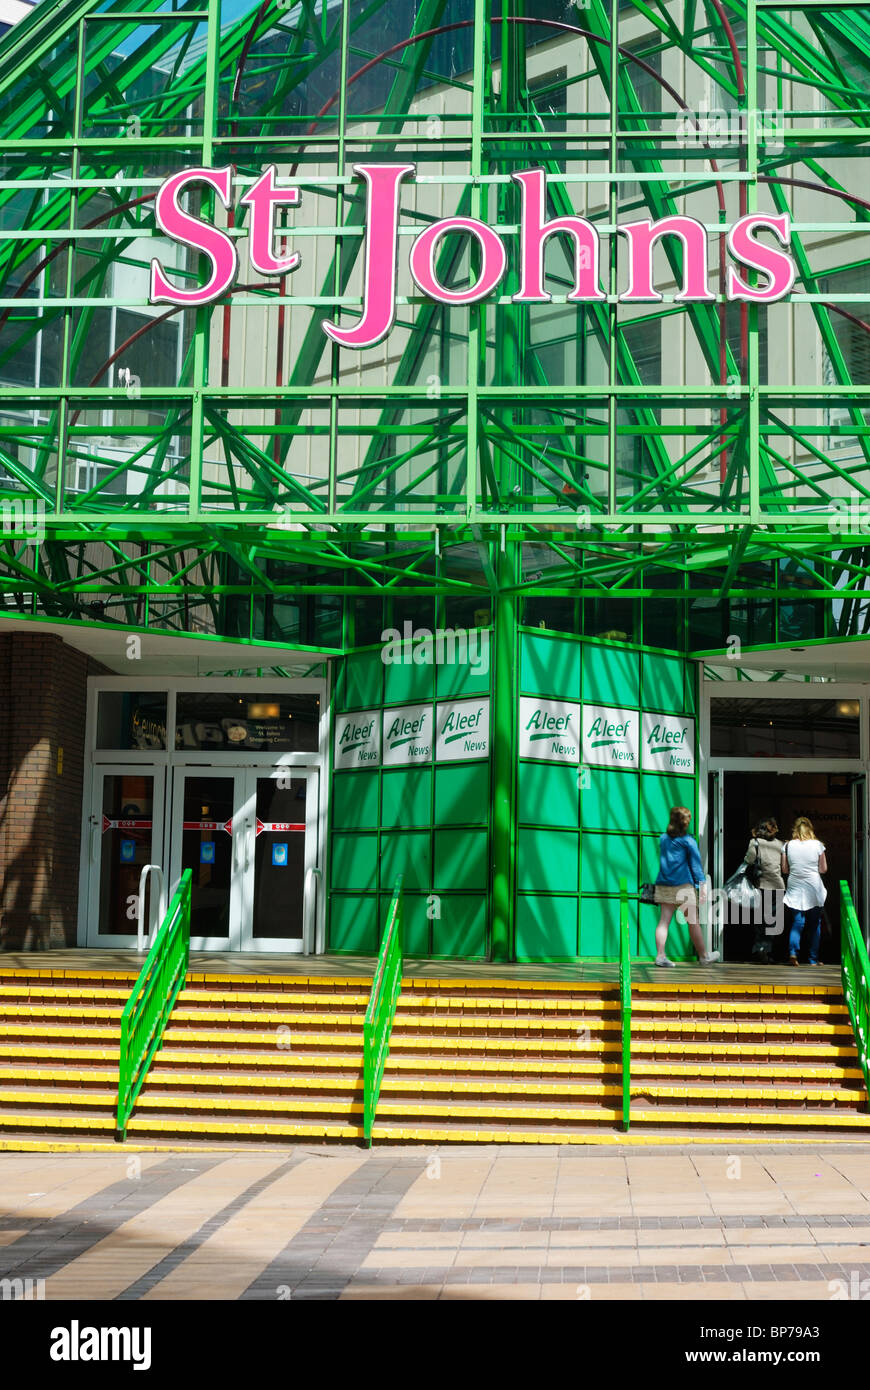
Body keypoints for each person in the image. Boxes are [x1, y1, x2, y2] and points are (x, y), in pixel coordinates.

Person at [654, 805, 720, 967]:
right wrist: (702, 886)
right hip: (683, 887)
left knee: (664, 922)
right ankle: (703, 956)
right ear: (685, 822)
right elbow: (696, 866)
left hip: (664, 884)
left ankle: (660, 956)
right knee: (693, 922)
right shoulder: (689, 841)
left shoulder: (663, 839)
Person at [781, 816, 827, 966]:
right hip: (813, 886)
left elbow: (785, 870)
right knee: (815, 924)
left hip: (795, 885)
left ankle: (793, 953)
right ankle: (813, 959)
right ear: (810, 829)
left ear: (795, 829)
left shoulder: (787, 846)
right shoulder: (818, 845)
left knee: (797, 922)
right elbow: (823, 869)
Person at [744, 816, 784, 964]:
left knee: (760, 920)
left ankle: (760, 949)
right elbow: (785, 866)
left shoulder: (755, 843)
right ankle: (767, 951)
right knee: (773, 922)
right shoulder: (780, 844)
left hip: (761, 885)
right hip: (778, 886)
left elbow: (749, 860)